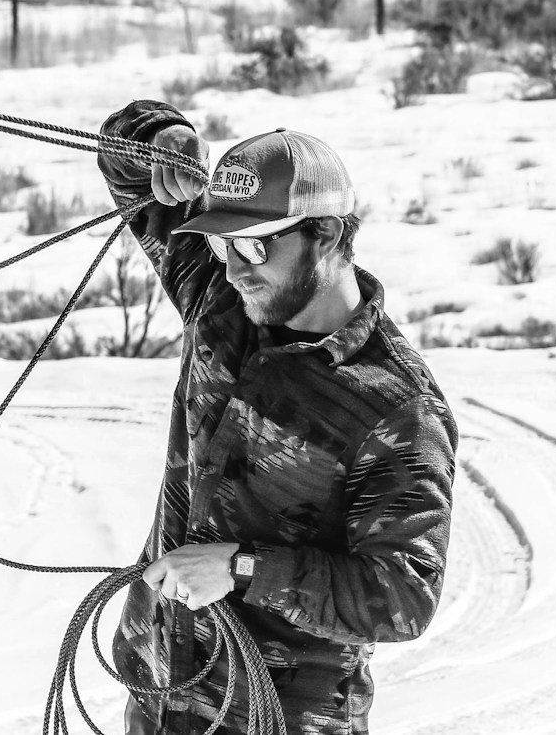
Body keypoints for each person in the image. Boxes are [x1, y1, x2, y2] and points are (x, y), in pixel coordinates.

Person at [95, 100, 458, 735]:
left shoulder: (397, 407)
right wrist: (157, 141)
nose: (235, 269)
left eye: (256, 245)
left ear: (327, 234)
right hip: (163, 694)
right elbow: (127, 169)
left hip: (278, 718)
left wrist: (241, 567)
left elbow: (402, 598)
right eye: (221, 243)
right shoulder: (222, 302)